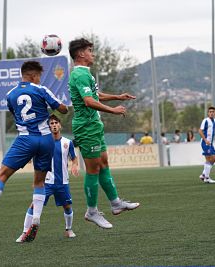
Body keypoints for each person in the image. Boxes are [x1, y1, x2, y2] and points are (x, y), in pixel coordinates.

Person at [0, 61, 68, 242]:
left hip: (25, 139)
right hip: (45, 140)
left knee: (2, 174)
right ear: (34, 75)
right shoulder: (41, 90)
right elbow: (63, 110)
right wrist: (52, 104)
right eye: (39, 76)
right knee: (39, 182)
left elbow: (16, 114)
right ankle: (35, 220)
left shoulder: (10, 94)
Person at [68, 38, 139, 229]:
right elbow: (89, 101)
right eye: (90, 50)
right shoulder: (79, 75)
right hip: (86, 127)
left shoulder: (85, 74)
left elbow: (95, 95)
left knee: (104, 163)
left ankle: (116, 203)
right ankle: (91, 212)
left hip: (94, 125)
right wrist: (113, 109)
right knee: (93, 169)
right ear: (81, 54)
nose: (93, 54)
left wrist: (117, 96)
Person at [16, 114, 79, 243]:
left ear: (60, 125)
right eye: (51, 123)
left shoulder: (67, 143)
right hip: (46, 183)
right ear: (48, 127)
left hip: (62, 182)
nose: (54, 125)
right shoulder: (42, 143)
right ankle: (24, 233)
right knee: (33, 206)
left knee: (67, 206)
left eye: (56, 122)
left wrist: (75, 166)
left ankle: (69, 229)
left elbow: (74, 158)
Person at [198, 106, 215, 184]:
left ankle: (203, 174)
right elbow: (200, 131)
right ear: (208, 113)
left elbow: (213, 131)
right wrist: (205, 140)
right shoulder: (205, 120)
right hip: (205, 142)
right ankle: (207, 178)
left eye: (213, 112)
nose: (211, 113)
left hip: (211, 143)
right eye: (210, 112)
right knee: (209, 158)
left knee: (213, 159)